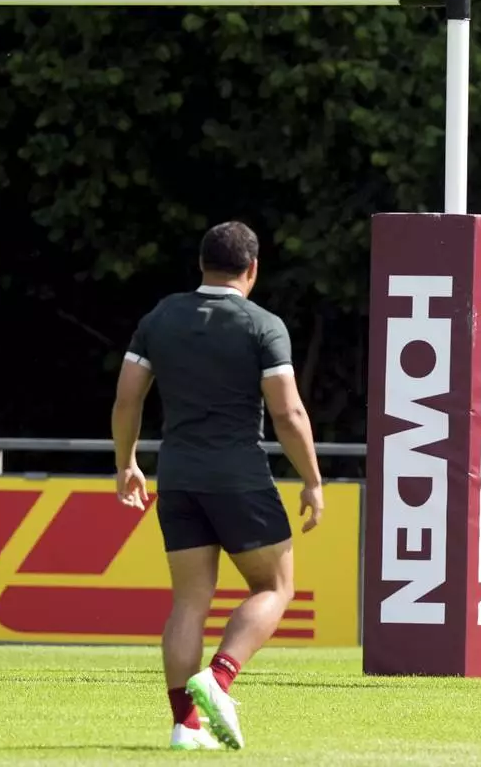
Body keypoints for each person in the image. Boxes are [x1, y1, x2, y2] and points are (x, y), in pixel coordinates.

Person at [111, 221, 325, 751]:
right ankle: (221, 677)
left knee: (189, 601)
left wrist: (126, 463)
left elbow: (127, 399)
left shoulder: (160, 318)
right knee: (275, 588)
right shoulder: (262, 325)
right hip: (239, 477)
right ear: (252, 269)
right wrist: (312, 480)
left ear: (201, 265)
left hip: (178, 476)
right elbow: (288, 411)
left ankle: (185, 725)